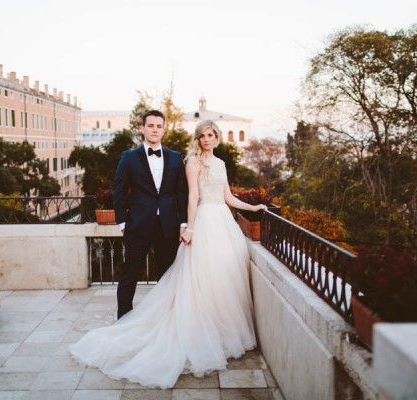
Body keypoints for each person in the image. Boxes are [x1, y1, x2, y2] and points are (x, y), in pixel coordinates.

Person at [69, 120, 268, 389]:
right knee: (180, 277)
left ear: (217, 137)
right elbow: (191, 195)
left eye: (210, 135)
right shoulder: (191, 161)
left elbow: (229, 198)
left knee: (220, 278)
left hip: (223, 223)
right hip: (201, 223)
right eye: (202, 135)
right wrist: (190, 228)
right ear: (197, 139)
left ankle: (219, 332)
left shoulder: (219, 164)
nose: (206, 139)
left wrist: (254, 207)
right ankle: (127, 321)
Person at [112, 110, 188, 319]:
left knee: (167, 275)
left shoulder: (175, 158)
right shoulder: (129, 158)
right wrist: (122, 223)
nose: (155, 130)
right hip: (137, 225)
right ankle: (124, 319)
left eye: (159, 126)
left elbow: (181, 193)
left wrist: (183, 223)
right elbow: (118, 191)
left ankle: (165, 319)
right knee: (130, 274)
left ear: (164, 129)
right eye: (151, 125)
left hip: (168, 225)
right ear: (143, 128)